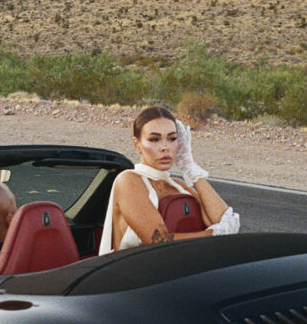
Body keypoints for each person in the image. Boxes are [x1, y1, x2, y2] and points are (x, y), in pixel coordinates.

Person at [99, 106, 240, 254]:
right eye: (154, 139)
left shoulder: (179, 186)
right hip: (136, 273)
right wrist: (212, 235)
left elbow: (223, 219)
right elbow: (159, 241)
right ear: (137, 145)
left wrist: (189, 167)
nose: (165, 147)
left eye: (172, 139)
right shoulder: (128, 181)